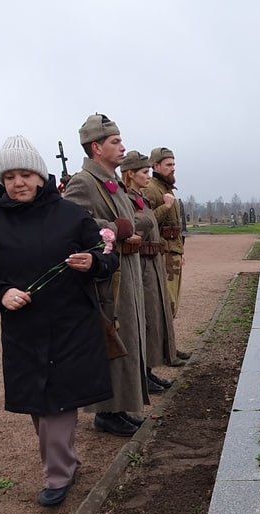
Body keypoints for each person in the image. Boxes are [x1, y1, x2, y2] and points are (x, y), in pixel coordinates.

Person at [0, 135, 119, 507]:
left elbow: (106, 257)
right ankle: (65, 461)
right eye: (11, 176)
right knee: (39, 402)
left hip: (71, 324)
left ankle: (57, 476)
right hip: (24, 329)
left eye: (26, 174)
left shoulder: (70, 215)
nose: (19, 183)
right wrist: (0, 292)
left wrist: (93, 262)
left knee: (58, 403)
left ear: (40, 176)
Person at [63, 114, 149, 437]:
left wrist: (129, 228)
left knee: (128, 337)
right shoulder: (83, 183)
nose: (122, 146)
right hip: (108, 278)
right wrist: (118, 229)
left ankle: (120, 407)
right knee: (114, 340)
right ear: (96, 147)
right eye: (115, 142)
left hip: (125, 270)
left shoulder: (109, 182)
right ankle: (107, 412)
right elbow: (76, 228)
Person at [119, 150, 185, 393]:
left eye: (148, 171)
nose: (147, 176)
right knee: (147, 318)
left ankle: (148, 372)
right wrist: (165, 208)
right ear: (131, 174)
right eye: (144, 172)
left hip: (155, 258)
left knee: (156, 316)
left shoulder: (140, 197)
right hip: (144, 260)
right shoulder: (131, 197)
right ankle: (144, 374)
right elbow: (140, 225)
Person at [142, 147, 185, 319]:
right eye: (168, 164)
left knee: (173, 302)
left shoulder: (167, 188)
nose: (173, 168)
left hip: (172, 252)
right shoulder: (151, 189)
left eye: (174, 164)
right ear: (156, 166)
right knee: (167, 303)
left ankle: (169, 344)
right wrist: (165, 207)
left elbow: (175, 225)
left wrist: (180, 252)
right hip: (163, 253)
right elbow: (146, 222)